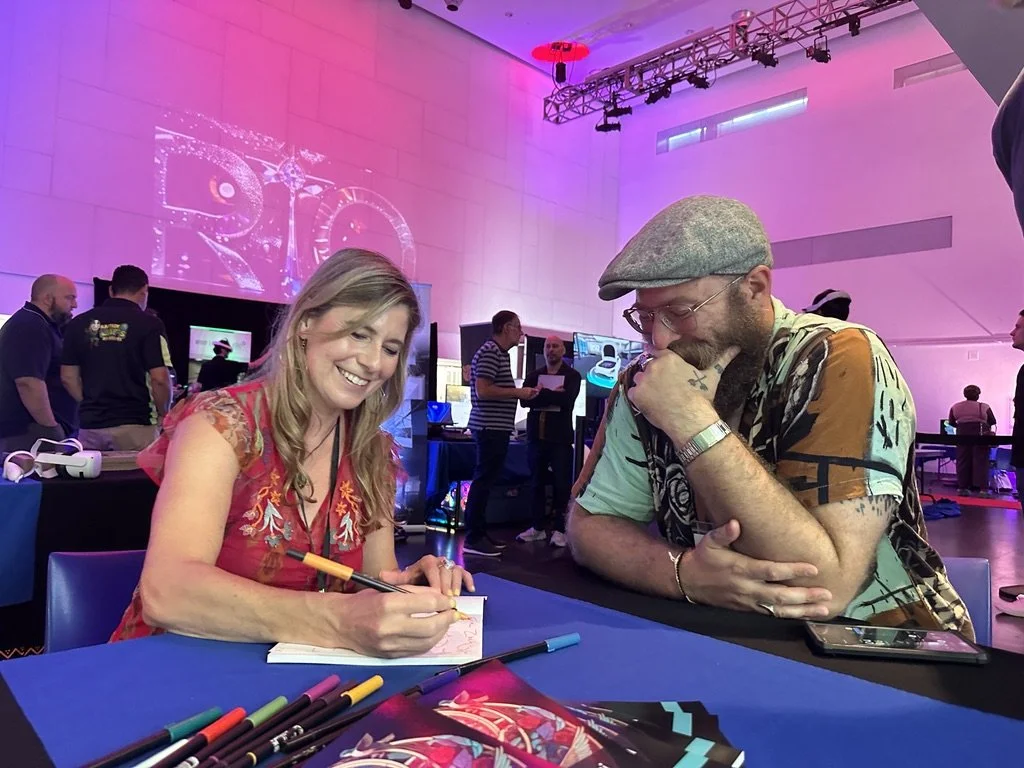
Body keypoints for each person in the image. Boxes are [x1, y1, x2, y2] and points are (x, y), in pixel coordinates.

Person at [568, 195, 973, 639]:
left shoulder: (837, 356)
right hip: (720, 639)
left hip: (885, 651)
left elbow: (824, 587)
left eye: (680, 313)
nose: (660, 340)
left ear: (755, 288)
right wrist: (683, 575)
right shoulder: (644, 383)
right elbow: (587, 526)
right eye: (644, 316)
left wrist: (689, 418)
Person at [110, 249, 472, 655]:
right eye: (359, 334)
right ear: (305, 323)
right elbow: (168, 592)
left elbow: (373, 576)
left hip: (299, 684)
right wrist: (338, 620)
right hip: (173, 668)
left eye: (390, 348)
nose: (373, 362)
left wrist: (404, 585)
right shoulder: (221, 426)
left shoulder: (372, 451)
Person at [61, 265, 171, 451]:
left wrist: (91, 403)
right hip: (137, 424)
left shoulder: (78, 323)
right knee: (133, 479)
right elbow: (159, 379)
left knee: (92, 478)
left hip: (90, 427)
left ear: (111, 290)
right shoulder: (150, 324)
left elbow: (68, 377)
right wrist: (163, 414)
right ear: (144, 291)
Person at [463, 311, 539, 558]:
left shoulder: (497, 354)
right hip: (489, 427)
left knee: (486, 481)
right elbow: (483, 390)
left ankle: (479, 533)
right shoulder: (490, 352)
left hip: (495, 428)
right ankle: (473, 537)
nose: (520, 333)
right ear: (507, 328)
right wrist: (518, 393)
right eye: (518, 328)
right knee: (483, 481)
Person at [515, 336, 582, 547]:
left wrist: (540, 394)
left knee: (562, 484)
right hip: (536, 437)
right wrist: (551, 394)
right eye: (547, 346)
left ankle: (561, 529)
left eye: (555, 346)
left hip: (560, 438)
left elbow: (567, 400)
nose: (550, 350)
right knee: (536, 482)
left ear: (563, 350)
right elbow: (524, 401)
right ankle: (537, 527)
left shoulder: (572, 376)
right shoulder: (534, 375)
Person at [0, 274, 79, 451]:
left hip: (31, 430)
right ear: (47, 298)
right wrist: (51, 428)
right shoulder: (30, 325)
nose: (75, 305)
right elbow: (28, 382)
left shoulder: (40, 324)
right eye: (69, 298)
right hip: (28, 432)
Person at [948, 385, 996, 494]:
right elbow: (992, 421)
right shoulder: (984, 406)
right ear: (978, 395)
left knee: (962, 461)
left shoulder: (955, 407)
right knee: (981, 462)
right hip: (980, 435)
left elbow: (951, 422)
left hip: (962, 436)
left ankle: (962, 488)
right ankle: (983, 490)